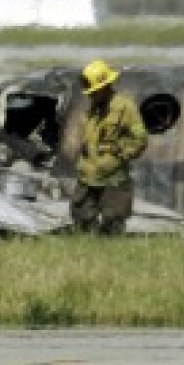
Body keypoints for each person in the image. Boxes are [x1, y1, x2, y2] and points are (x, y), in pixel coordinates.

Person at [72, 59, 148, 234]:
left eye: (94, 91)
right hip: (87, 176)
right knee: (80, 219)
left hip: (113, 177)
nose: (90, 95)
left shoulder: (125, 107)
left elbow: (140, 139)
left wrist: (120, 152)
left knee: (112, 223)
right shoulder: (93, 108)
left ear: (105, 87)